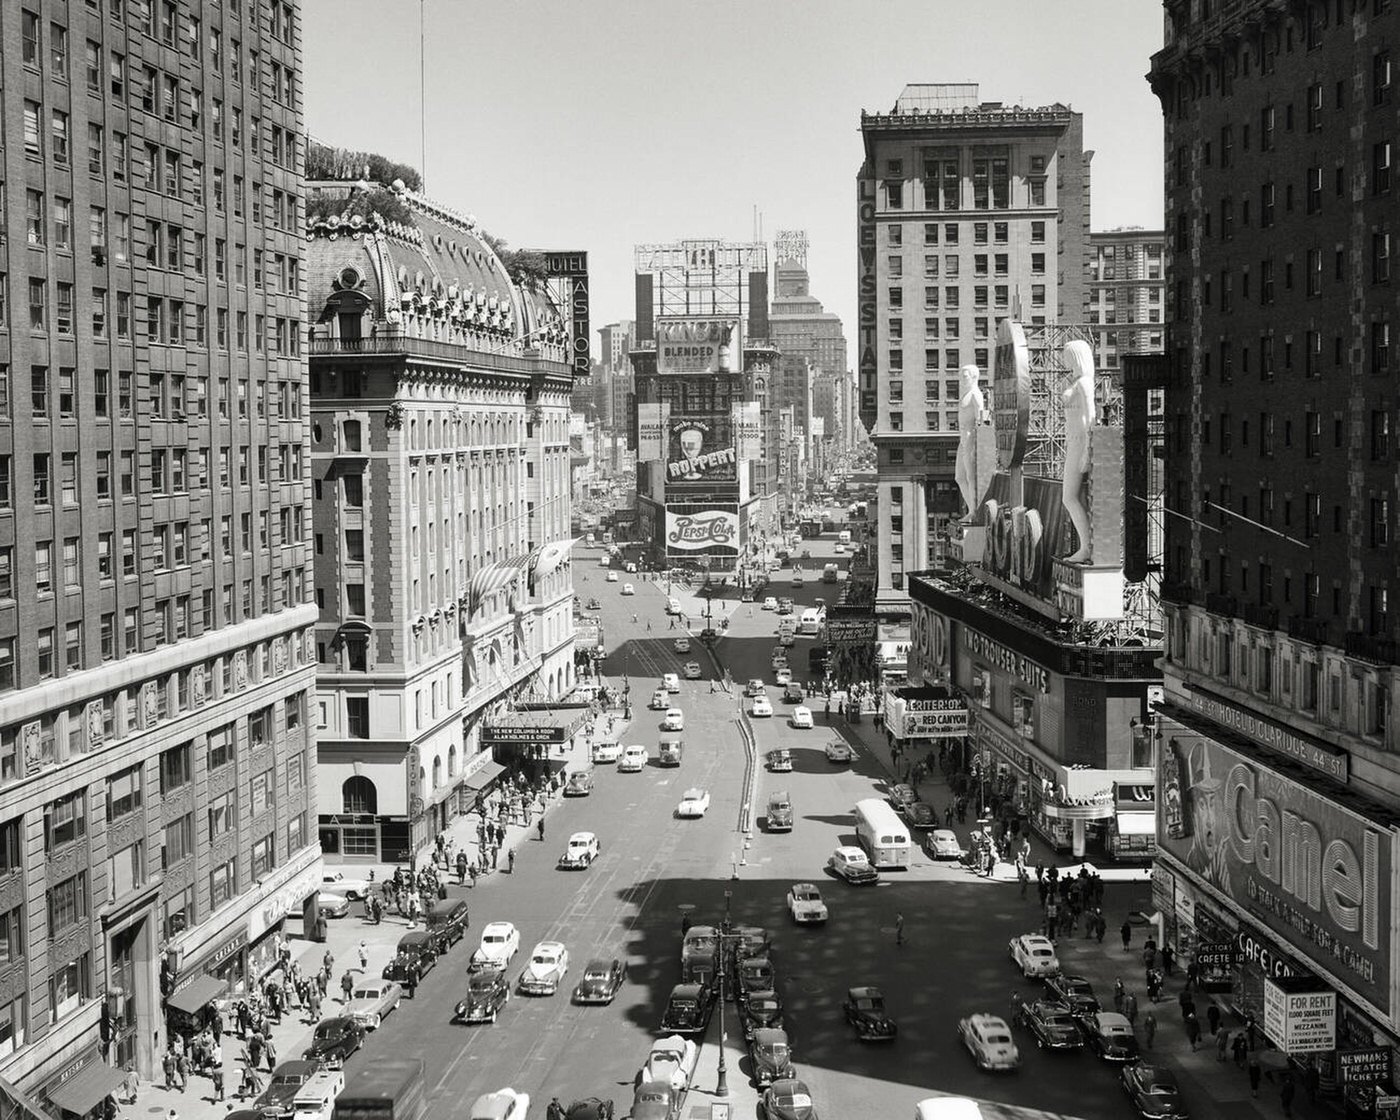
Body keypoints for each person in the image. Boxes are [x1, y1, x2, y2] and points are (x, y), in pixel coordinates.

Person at [1060, 340, 1096, 562]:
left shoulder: (1084, 383)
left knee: (1069, 497)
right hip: (1073, 441)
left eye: (1068, 355)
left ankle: (1086, 547)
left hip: (1080, 441)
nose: (1065, 360)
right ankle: (1086, 546)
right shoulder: (1076, 381)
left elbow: (1091, 416)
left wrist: (1087, 451)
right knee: (1074, 497)